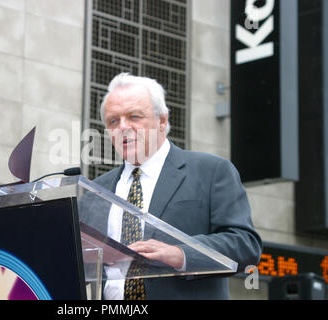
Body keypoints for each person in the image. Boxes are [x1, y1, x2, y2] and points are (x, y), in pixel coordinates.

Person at [84, 73, 262, 300]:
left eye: (134, 116)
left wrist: (181, 253)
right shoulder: (94, 191)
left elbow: (245, 245)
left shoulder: (211, 171)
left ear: (162, 120)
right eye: (113, 121)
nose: (123, 127)